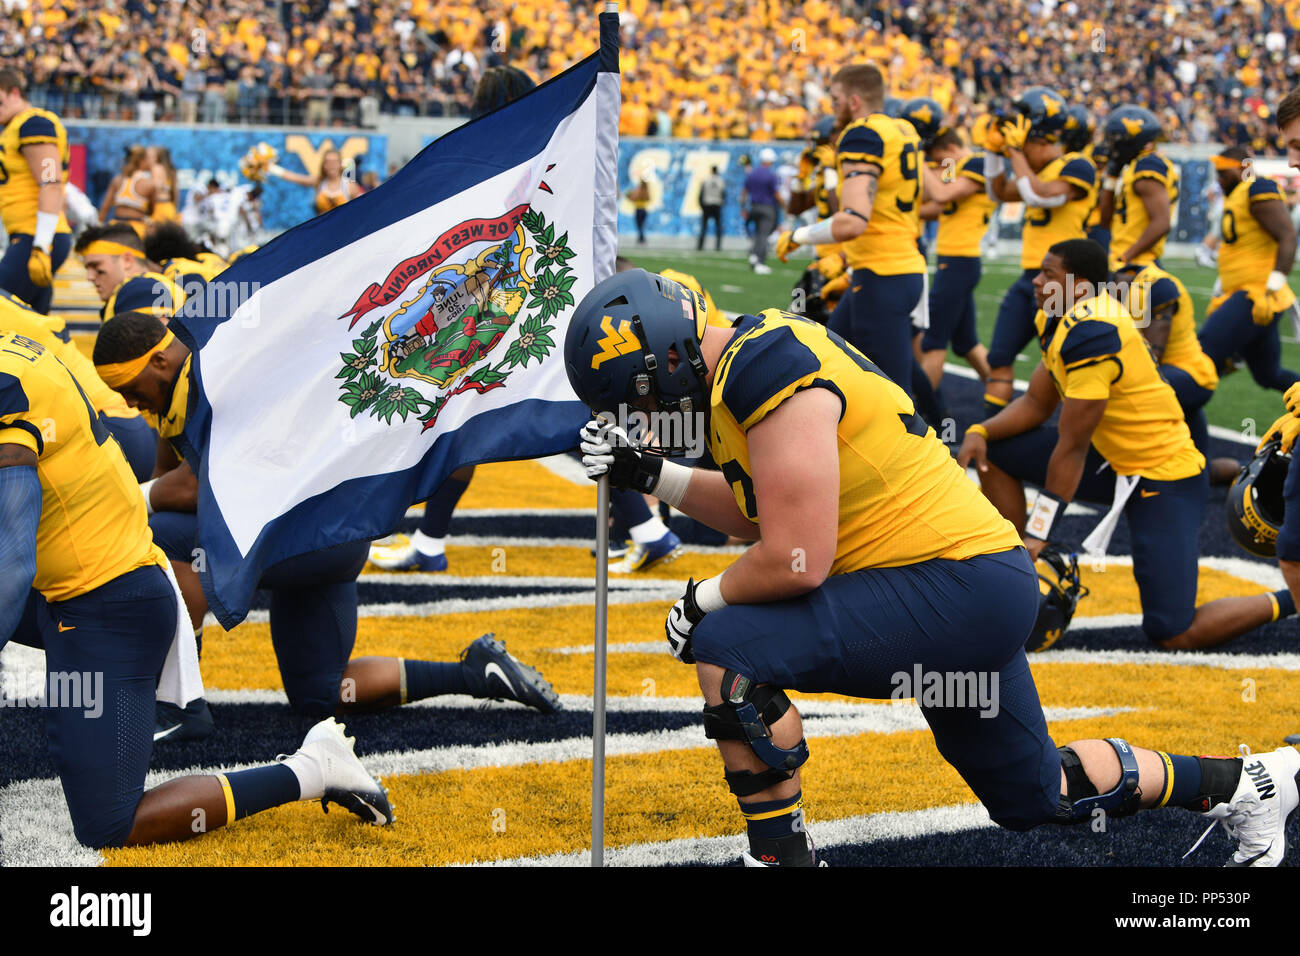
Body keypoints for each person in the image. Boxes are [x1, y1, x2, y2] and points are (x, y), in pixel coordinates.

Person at [565, 267, 1300, 868]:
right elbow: (761, 511)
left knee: (725, 647)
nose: (649, 414)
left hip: (951, 582)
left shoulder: (762, 367)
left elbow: (797, 560)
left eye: (640, 397)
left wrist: (703, 598)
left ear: (667, 356)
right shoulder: (749, 364)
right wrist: (648, 473)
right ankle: (1245, 783)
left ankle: (781, 859)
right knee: (1036, 794)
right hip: (970, 585)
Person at [0, 325, 394, 848]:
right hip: (91, 585)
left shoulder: (13, 385)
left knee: (111, 824)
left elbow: (11, 563)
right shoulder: (19, 353)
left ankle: (311, 769)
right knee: (319, 685)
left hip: (113, 601)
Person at [92, 310, 561, 722]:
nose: (130, 404)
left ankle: (180, 704)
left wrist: (135, 500)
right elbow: (169, 475)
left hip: (317, 532)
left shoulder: (217, 378)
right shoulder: (179, 382)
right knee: (323, 694)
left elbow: (200, 488)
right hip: (318, 538)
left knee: (157, 536)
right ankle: (476, 673)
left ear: (158, 362)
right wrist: (148, 494)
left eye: (130, 391)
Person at [958, 239, 1291, 651]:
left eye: (1049, 274)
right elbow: (1036, 403)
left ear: (1079, 286)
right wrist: (981, 431)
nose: (1036, 281)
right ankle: (1013, 562)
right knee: (996, 451)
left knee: (1172, 630)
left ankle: (1292, 598)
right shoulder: (1059, 318)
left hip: (1163, 474)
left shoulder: (1091, 331)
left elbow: (1072, 445)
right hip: (1113, 459)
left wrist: (1039, 531)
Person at [774, 64, 926, 395]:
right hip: (888, 269)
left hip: (883, 274)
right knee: (828, 359)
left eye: (836, 99)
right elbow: (933, 198)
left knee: (893, 394)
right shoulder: (902, 131)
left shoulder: (862, 135)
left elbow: (853, 220)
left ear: (854, 101)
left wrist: (798, 236)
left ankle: (933, 441)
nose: (832, 107)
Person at [983, 87, 1097, 415]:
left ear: (1041, 138)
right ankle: (992, 436)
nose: (1014, 151)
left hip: (1064, 284)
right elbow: (999, 192)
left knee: (1069, 365)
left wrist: (1015, 152)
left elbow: (1040, 195)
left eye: (1021, 143)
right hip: (1029, 278)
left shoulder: (1078, 166)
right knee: (999, 358)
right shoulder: (1035, 172)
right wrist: (993, 152)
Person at [1197, 146, 1298, 396]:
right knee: (1269, 374)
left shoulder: (1257, 186)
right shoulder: (1236, 194)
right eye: (1217, 174)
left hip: (1255, 296)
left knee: (1199, 359)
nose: (1219, 179)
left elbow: (1287, 235)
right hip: (1245, 293)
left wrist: (1275, 281)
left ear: (1243, 168)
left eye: (1224, 173)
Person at [911, 111, 993, 388]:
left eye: (938, 157)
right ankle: (998, 391)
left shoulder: (977, 162)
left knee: (934, 339)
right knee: (966, 342)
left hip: (960, 260)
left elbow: (942, 194)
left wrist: (920, 162)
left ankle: (926, 411)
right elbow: (937, 205)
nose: (937, 164)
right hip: (956, 260)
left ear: (950, 149)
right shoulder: (953, 167)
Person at [0, 67, 72, 315]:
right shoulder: (14, 127)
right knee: (32, 328)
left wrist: (41, 244)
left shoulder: (33, 123)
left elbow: (51, 182)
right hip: (28, 235)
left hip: (37, 238)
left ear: (14, 93)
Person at [267, 148, 362, 217]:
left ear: (340, 164)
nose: (331, 165)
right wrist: (270, 168)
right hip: (321, 233)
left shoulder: (350, 186)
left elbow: (360, 210)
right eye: (327, 162)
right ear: (323, 165)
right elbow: (295, 177)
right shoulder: (319, 182)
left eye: (335, 162)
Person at [742, 147, 781, 274]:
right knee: (764, 235)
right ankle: (759, 261)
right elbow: (776, 194)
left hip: (754, 207)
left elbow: (743, 193)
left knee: (759, 233)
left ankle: (753, 254)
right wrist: (785, 206)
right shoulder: (771, 175)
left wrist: (743, 208)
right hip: (767, 208)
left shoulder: (752, 173)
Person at [698, 165, 725, 251]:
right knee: (718, 227)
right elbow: (723, 194)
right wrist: (721, 204)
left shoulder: (706, 180)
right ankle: (718, 246)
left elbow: (701, 194)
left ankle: (700, 246)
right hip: (717, 204)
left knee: (704, 226)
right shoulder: (721, 181)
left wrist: (702, 205)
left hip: (707, 204)